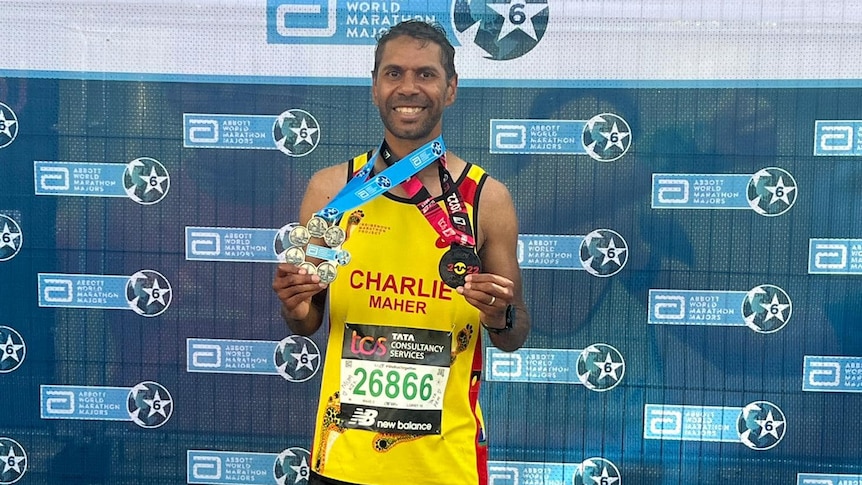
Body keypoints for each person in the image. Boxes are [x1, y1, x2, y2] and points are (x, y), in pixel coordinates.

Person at [272, 19, 530, 485]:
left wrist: (499, 315)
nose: (408, 87)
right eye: (393, 73)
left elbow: (514, 333)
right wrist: (295, 303)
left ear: (450, 88)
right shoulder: (331, 191)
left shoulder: (486, 199)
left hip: (446, 466)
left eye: (425, 74)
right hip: (344, 462)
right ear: (374, 87)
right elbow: (307, 321)